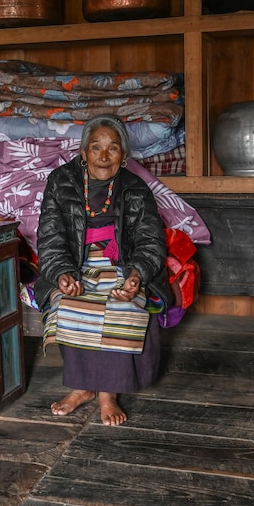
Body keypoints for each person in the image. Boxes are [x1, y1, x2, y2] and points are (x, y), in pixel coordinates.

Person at [34, 114, 173, 426]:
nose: (104, 155)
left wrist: (136, 275)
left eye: (112, 149)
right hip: (76, 262)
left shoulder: (136, 189)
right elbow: (50, 235)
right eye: (96, 148)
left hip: (121, 262)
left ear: (123, 156)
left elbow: (150, 240)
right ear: (84, 154)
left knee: (124, 304)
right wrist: (61, 274)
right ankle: (82, 388)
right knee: (68, 304)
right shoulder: (61, 181)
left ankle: (108, 394)